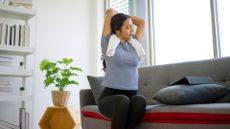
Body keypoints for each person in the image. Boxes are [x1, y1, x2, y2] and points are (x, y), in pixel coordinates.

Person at [98, 8, 147, 129]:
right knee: (122, 100)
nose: (131, 30)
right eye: (127, 27)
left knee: (140, 100)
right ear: (117, 30)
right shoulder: (108, 43)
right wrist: (112, 14)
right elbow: (109, 13)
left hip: (132, 95)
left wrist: (125, 17)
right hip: (111, 98)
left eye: (131, 27)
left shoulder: (134, 44)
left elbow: (142, 23)